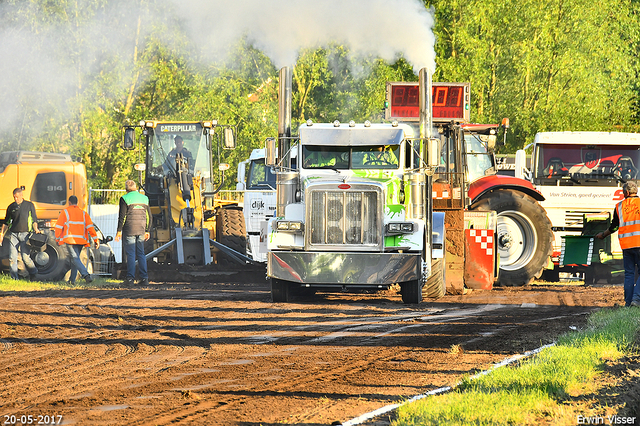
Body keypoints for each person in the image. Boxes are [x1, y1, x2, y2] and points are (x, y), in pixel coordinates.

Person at [596, 181, 640, 307]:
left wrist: (603, 235)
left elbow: (614, 227)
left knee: (629, 274)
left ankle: (628, 303)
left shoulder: (619, 206)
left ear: (626, 192)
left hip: (626, 246)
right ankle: (636, 300)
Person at [54, 195, 99, 284]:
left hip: (70, 240)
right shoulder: (83, 213)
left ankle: (86, 275)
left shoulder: (65, 212)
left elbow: (58, 227)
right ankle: (72, 280)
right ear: (77, 203)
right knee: (75, 259)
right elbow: (90, 228)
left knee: (75, 258)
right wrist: (96, 239)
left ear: (69, 202)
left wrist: (57, 238)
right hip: (81, 240)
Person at [115, 180, 151, 286]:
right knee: (141, 253)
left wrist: (119, 231)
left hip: (129, 229)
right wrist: (147, 230)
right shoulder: (145, 198)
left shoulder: (124, 198)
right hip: (141, 229)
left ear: (126, 189)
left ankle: (130, 279)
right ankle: (144, 279)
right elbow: (149, 216)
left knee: (130, 254)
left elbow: (122, 216)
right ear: (135, 188)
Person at [0, 187, 40, 280]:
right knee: (12, 258)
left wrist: (36, 229)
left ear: (21, 195)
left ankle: (34, 273)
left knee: (25, 257)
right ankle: (15, 278)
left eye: (17, 197)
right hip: (13, 234)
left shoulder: (29, 205)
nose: (16, 199)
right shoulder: (11, 207)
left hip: (25, 234)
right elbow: (6, 222)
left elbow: (34, 219)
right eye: (14, 197)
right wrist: (1, 234)